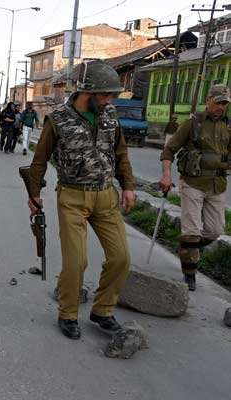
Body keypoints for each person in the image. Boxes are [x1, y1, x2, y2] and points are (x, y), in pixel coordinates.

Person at [27, 59, 135, 340]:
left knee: (121, 257)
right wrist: (34, 194)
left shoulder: (110, 115)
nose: (110, 100)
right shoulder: (58, 119)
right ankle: (68, 313)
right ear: (89, 92)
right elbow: (39, 161)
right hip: (72, 197)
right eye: (106, 94)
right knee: (76, 262)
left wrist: (128, 186)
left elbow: (121, 153)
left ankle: (102, 310)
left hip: (106, 197)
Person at [159, 84, 231, 291]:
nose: (221, 107)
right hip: (192, 183)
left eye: (225, 103)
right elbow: (169, 150)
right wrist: (166, 175)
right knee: (192, 230)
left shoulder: (228, 125)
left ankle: (187, 249)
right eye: (218, 102)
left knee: (215, 230)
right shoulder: (193, 123)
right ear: (208, 100)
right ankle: (189, 274)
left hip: (217, 185)